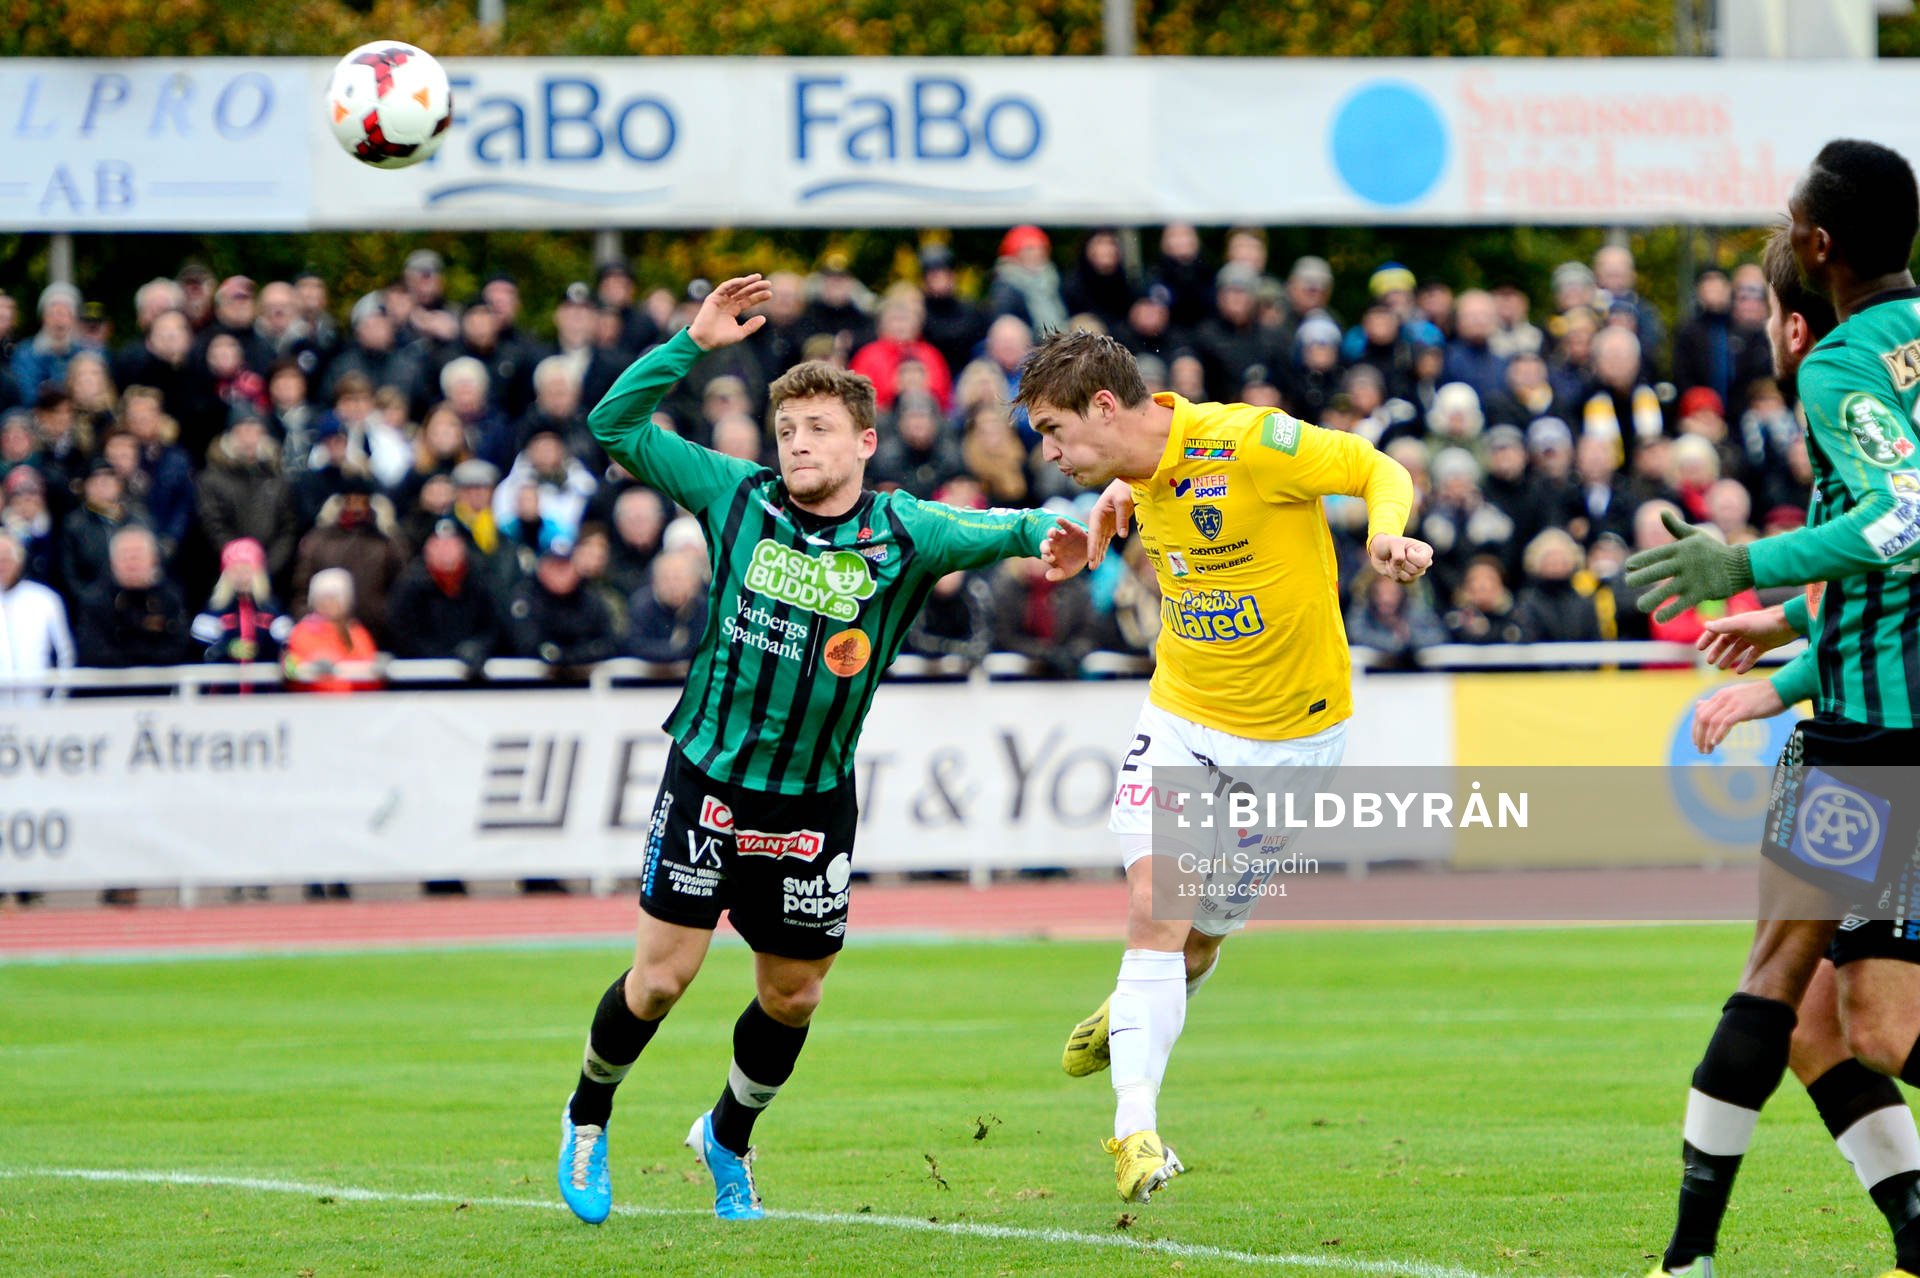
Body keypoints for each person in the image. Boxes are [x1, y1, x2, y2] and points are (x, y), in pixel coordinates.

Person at [554, 275, 1086, 1227]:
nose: (797, 442)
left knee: (792, 997)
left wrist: (1053, 532)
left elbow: (1003, 525)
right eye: (787, 428)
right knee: (662, 978)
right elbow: (612, 425)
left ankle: (726, 1135)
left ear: (865, 444)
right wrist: (692, 342)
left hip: (811, 800)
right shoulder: (733, 494)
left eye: (817, 428)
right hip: (710, 778)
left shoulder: (903, 530)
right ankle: (588, 1116)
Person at [1016, 327, 1429, 1203]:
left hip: (1296, 742)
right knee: (1156, 906)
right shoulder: (1133, 474)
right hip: (1184, 723)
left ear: (1103, 406)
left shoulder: (1251, 443)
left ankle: (1130, 1012)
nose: (1048, 454)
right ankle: (1135, 1132)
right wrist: (1109, 498)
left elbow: (1377, 469)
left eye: (1055, 431)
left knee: (1200, 944)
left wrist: (1387, 536)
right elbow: (1136, 478)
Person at [1627, 144, 1920, 1278]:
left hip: (1872, 734)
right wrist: (1794, 636)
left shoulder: (1841, 362)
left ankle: (1687, 1256)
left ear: (1818, 246)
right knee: (1849, 1027)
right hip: (1870, 706)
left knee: (1780, 980)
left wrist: (1744, 563)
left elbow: (1904, 518)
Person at [0, 530, 73, 704]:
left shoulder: (44, 599)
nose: (2, 566)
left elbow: (65, 655)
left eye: (6, 560)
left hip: (38, 711)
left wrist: (57, 702)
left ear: (19, 561)